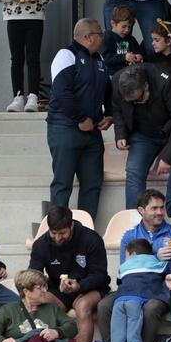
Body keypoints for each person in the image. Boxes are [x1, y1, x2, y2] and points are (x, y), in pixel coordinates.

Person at [96, 189, 171, 342]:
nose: (160, 212)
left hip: (162, 289)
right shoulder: (130, 235)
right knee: (104, 306)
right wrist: (155, 257)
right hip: (133, 287)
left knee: (150, 309)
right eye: (154, 208)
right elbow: (125, 268)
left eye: (162, 208)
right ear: (141, 210)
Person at [47, 19, 112, 217]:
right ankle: (58, 231)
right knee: (63, 183)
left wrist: (109, 113)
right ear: (87, 37)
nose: (103, 37)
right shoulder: (66, 55)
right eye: (100, 33)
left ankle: (85, 231)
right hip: (65, 128)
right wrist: (80, 118)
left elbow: (108, 90)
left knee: (92, 184)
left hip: (92, 132)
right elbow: (61, 92)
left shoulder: (99, 59)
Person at [111, 63, 171, 210]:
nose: (136, 103)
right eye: (131, 102)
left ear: (146, 86)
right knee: (134, 171)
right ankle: (133, 220)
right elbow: (117, 109)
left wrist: (168, 157)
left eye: (138, 98)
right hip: (143, 134)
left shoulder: (167, 81)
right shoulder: (118, 80)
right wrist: (120, 134)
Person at [30, 206, 108, 342]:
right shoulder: (41, 244)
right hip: (58, 289)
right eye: (53, 233)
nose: (58, 238)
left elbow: (100, 275)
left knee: (82, 306)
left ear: (71, 225)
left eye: (62, 233)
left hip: (89, 288)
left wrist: (80, 285)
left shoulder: (91, 239)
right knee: (38, 298)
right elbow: (34, 274)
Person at [111, 239, 171, 342]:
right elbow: (170, 268)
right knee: (133, 333)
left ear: (133, 254)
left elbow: (119, 281)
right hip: (135, 301)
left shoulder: (123, 266)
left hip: (119, 301)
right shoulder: (154, 262)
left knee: (117, 333)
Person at [101, 4, 145, 77]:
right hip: (112, 75)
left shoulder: (131, 39)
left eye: (129, 27)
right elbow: (105, 57)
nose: (127, 30)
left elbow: (138, 52)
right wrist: (124, 57)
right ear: (113, 23)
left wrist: (139, 57)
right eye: (123, 27)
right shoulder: (107, 37)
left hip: (129, 75)